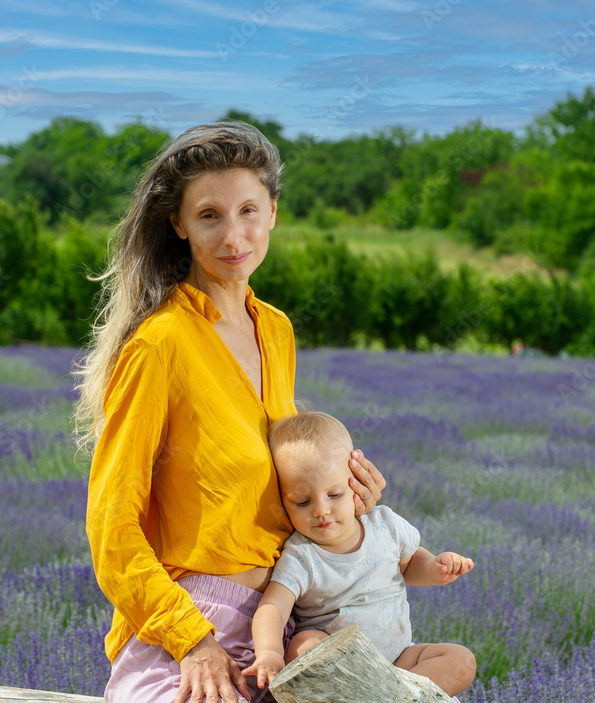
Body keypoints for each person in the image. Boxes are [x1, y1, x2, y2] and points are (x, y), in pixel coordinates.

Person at [73, 121, 386, 703]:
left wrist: (341, 500)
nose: (234, 235)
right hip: (189, 630)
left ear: (273, 211)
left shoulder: (276, 331)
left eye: (248, 210)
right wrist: (192, 640)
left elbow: (271, 495)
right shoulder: (159, 343)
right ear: (180, 225)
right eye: (209, 215)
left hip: (287, 622)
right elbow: (111, 530)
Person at [243, 412, 477, 699]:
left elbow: (410, 562)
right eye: (302, 501)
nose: (321, 510)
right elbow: (273, 607)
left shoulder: (384, 525)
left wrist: (434, 568)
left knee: (461, 660)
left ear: (355, 481)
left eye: (335, 494)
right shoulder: (302, 556)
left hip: (399, 662)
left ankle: (393, 696)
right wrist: (268, 653)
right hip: (343, 672)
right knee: (303, 644)